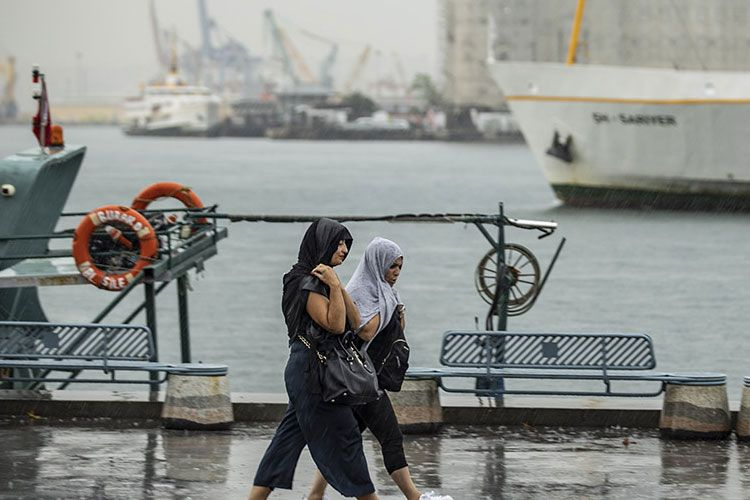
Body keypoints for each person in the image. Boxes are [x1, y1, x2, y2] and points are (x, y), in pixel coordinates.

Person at [305, 237, 452, 500]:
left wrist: (397, 311)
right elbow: (368, 330)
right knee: (391, 437)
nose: (395, 272)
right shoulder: (360, 290)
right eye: (391, 266)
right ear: (377, 263)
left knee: (344, 442)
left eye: (399, 267)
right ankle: (415, 497)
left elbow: (396, 332)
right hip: (361, 378)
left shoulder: (385, 291)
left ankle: (315, 494)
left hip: (368, 378)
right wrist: (389, 308)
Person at [249, 218, 378, 500]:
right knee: (347, 438)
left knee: (286, 443)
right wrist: (332, 286)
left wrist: (338, 286)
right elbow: (335, 325)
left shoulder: (323, 278)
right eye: (339, 243)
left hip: (308, 370)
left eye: (347, 244)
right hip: (314, 373)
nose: (344, 249)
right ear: (322, 244)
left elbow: (356, 323)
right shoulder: (306, 282)